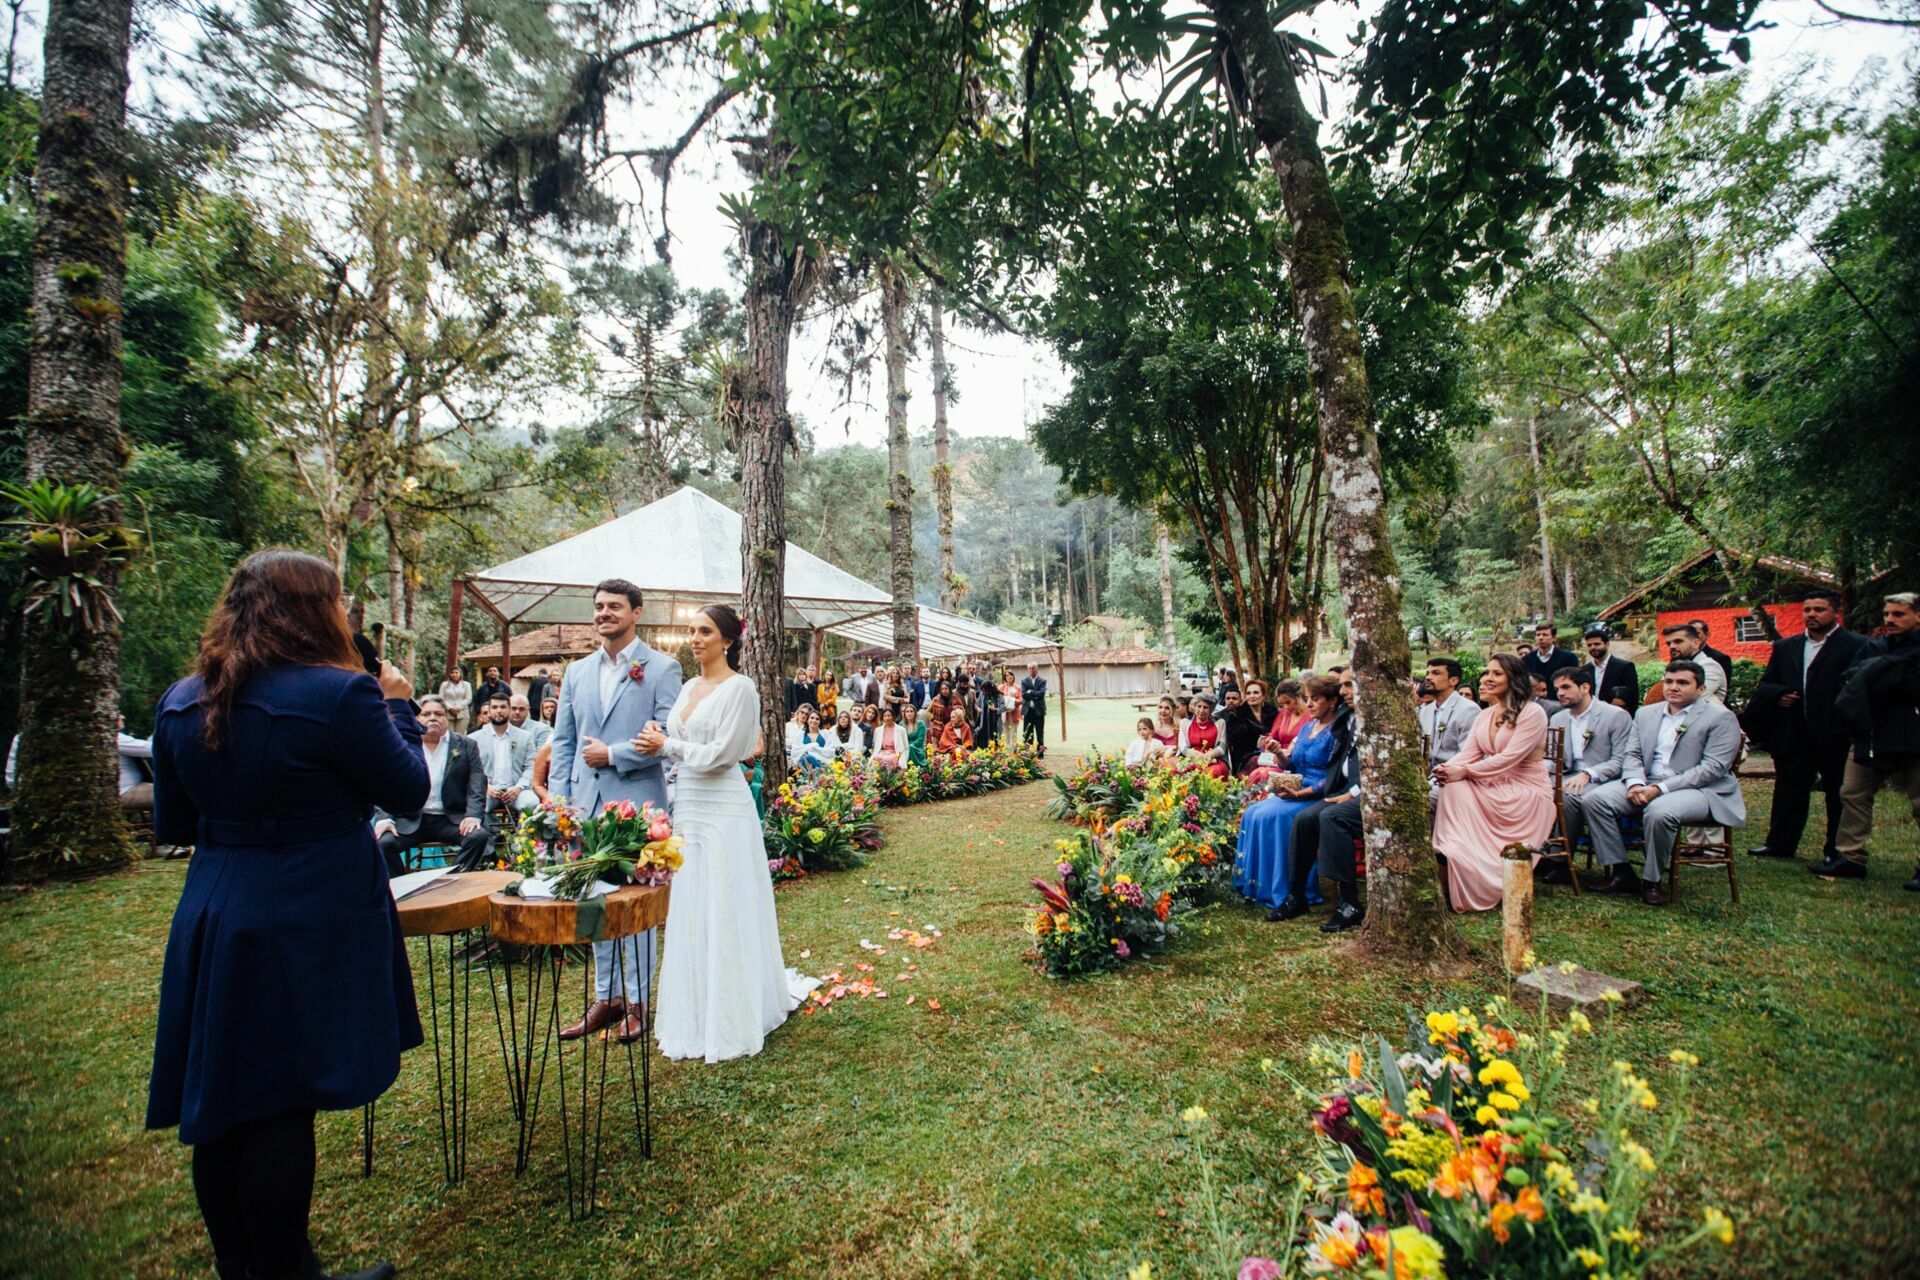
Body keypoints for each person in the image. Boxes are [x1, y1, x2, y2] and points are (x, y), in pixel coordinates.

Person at [147, 548, 425, 1280]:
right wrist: (395, 701)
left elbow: (174, 822)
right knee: (280, 1100)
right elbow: (407, 790)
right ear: (313, 609)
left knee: (228, 1096)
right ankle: (285, 1272)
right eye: (337, 603)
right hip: (305, 911)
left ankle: (244, 1265)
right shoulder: (340, 696)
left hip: (214, 905)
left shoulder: (182, 699)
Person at [633, 604, 817, 1062]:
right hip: (689, 806)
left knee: (726, 900)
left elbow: (725, 751)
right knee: (693, 901)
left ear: (728, 640)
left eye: (705, 632)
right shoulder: (688, 686)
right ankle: (695, 1008)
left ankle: (734, 1009)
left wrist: (668, 745)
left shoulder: (742, 688)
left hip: (724, 805)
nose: (695, 639)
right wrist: (660, 731)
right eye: (692, 631)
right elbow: (680, 736)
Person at [550, 579, 684, 1046]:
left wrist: (614, 753)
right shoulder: (577, 672)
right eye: (599, 607)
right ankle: (605, 997)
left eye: (614, 607)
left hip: (639, 806)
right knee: (594, 904)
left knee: (636, 907)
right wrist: (559, 802)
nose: (604, 613)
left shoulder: (662, 667)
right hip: (583, 807)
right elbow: (564, 741)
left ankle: (639, 1002)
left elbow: (666, 735)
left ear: (636, 612)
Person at [1582, 661, 1746, 905]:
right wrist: (1635, 783)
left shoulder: (1721, 718)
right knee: (1594, 799)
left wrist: (1659, 789)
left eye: (1682, 683)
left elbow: (1712, 769)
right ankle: (1621, 871)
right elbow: (1632, 754)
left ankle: (1652, 880)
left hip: (1699, 789)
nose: (1673, 687)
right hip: (1647, 781)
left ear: (1700, 689)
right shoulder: (1647, 713)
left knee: (1660, 812)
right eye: (1669, 681)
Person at [1745, 588, 1866, 862]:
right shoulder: (1787, 646)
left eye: (1819, 610)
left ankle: (1837, 849)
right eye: (1807, 610)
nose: (1811, 615)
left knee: (1838, 792)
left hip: (1836, 731)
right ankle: (1780, 843)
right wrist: (1779, 695)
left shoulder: (1855, 645)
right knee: (1788, 789)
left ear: (1836, 611)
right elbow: (1767, 683)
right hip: (1794, 730)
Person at [1430, 653, 1557, 913]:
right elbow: (1469, 753)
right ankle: (1453, 852)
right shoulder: (1486, 714)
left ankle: (1475, 867)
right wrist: (1447, 769)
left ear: (1514, 679)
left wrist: (1464, 771)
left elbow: (1509, 759)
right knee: (1451, 785)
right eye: (1486, 673)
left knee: (1458, 784)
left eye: (1496, 673)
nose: (1487, 678)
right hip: (1493, 782)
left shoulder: (1533, 713)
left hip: (1526, 791)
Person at [1824, 591, 1920, 885]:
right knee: (1853, 793)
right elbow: (1850, 679)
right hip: (1871, 733)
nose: (1890, 619)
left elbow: (1909, 687)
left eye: (1898, 614)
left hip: (1914, 735)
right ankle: (1850, 857)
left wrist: (1879, 675)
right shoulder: (1874, 646)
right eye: (1887, 614)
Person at [1239, 675, 1348, 913]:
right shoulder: (1309, 726)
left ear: (1331, 702)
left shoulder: (1337, 733)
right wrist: (1280, 754)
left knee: (1274, 817)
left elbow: (1334, 777)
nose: (1308, 705)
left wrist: (1301, 794)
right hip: (1295, 786)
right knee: (1253, 812)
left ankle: (1288, 889)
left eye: (1315, 699)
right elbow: (1292, 765)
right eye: (1307, 699)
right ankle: (1256, 885)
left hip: (1317, 793)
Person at [372, 696, 491, 875]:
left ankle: (452, 881)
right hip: (411, 820)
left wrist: (473, 815)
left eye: (439, 714)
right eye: (426, 714)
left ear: (447, 718)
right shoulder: (403, 745)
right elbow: (382, 782)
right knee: (383, 843)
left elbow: (477, 782)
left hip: (450, 819)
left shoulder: (466, 745)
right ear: (416, 719)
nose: (432, 718)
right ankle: (404, 889)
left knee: (478, 836)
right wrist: (384, 819)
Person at [1548, 668, 1634, 857]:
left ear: (1585, 687)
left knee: (1568, 797)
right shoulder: (1558, 718)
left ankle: (1559, 857)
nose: (1560, 693)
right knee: (1529, 790)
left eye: (1566, 687)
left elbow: (1621, 760)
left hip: (1603, 780)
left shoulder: (1616, 715)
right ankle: (1532, 852)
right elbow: (1553, 759)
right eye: (1557, 689)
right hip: (1567, 776)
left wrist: (1588, 774)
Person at [474, 690, 538, 824]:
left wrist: (518, 787)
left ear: (509, 709)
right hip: (488, 790)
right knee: (474, 804)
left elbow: (531, 766)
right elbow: (472, 770)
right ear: (489, 711)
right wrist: (486, 787)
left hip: (516, 789)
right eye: (495, 707)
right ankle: (490, 840)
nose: (499, 711)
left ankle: (521, 843)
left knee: (531, 803)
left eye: (503, 707)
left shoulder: (525, 737)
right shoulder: (475, 738)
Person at [1419, 658, 1475, 775]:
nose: (1428, 677)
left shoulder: (1469, 710)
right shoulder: (1425, 711)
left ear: (1453, 681)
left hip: (1454, 776)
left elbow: (1468, 754)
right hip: (1426, 776)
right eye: (1427, 673)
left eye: (1436, 673)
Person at [1658, 623, 1728, 704]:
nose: (1672, 646)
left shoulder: (1709, 666)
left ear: (1696, 643)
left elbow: (1689, 701)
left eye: (1678, 641)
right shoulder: (1675, 668)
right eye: (1668, 643)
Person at [1223, 677, 1278, 775]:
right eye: (1248, 693)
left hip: (1272, 753)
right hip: (1246, 757)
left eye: (1255, 692)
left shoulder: (1273, 712)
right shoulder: (1237, 714)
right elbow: (1233, 740)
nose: (1252, 696)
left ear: (1264, 695)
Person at [1580, 624, 1638, 709]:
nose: (1593, 647)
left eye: (1597, 644)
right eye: (1589, 645)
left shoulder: (1624, 667)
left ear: (1607, 644)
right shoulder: (1584, 670)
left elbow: (1632, 698)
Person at [1182, 695, 1228, 778]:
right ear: (1194, 707)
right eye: (1199, 706)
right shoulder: (1185, 723)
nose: (1201, 710)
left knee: (1213, 773)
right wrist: (1197, 755)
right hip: (1191, 758)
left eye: (1205, 707)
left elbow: (1222, 746)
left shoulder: (1220, 723)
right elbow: (1182, 747)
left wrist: (1211, 754)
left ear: (1211, 709)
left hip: (1213, 760)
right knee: (1184, 771)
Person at [1521, 622, 1579, 688]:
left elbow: (1574, 681)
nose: (1540, 638)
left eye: (1545, 635)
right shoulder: (1527, 659)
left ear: (1554, 638)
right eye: (1538, 635)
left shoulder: (1568, 658)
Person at [1689, 619, 1736, 690]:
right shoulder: (1679, 657)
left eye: (1697, 633)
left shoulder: (1720, 658)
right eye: (1689, 634)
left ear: (1707, 634)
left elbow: (1724, 687)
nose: (1693, 637)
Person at [1267, 680, 1309, 756]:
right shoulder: (1284, 713)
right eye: (1282, 704)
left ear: (1298, 697)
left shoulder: (1312, 715)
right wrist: (1270, 742)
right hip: (1279, 757)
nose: (1286, 707)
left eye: (1288, 702)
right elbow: (1273, 735)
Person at [1020, 664, 1049, 755]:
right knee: (1027, 732)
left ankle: (1040, 753)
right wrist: (1035, 695)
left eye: (1033, 668)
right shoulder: (1024, 681)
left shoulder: (1042, 681)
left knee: (1040, 732)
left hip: (1039, 711)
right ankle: (1028, 753)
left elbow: (1041, 694)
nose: (1031, 670)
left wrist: (1031, 692)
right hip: (1028, 711)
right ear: (1027, 669)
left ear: (1037, 669)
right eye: (1029, 668)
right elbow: (1024, 695)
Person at [439, 665, 473, 733]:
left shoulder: (466, 684)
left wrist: (458, 707)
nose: (454, 674)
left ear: (460, 674)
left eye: (456, 672)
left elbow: (468, 698)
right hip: (448, 713)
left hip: (462, 712)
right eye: (452, 673)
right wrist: (450, 708)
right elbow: (440, 698)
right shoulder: (444, 685)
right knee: (449, 734)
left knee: (459, 735)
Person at [902, 702, 930, 768]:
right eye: (907, 711)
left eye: (911, 711)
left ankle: (915, 770)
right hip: (905, 747)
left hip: (917, 747)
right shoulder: (901, 723)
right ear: (904, 714)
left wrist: (910, 746)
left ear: (915, 713)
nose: (909, 713)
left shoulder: (921, 724)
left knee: (911, 748)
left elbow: (920, 739)